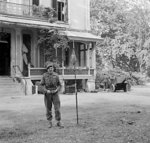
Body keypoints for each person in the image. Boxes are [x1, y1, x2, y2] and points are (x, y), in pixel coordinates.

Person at [40, 62, 63, 128]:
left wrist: (57, 90)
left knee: (57, 108)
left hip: (55, 93)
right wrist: (46, 90)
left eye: (52, 68)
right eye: (49, 68)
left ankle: (58, 122)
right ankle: (49, 122)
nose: (51, 69)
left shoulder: (56, 75)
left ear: (53, 69)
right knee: (48, 108)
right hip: (48, 94)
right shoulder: (44, 75)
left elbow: (59, 85)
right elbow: (41, 85)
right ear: (47, 69)